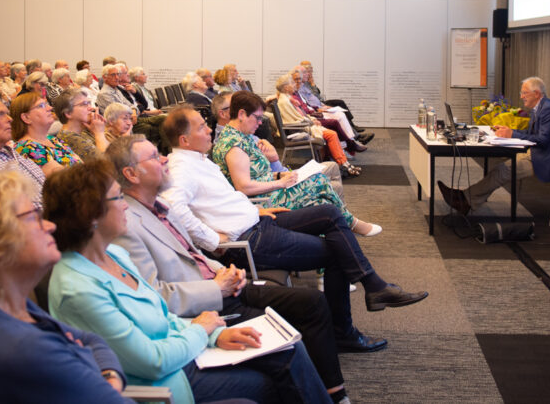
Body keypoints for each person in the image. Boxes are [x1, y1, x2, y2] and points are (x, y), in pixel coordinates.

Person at [110, 135, 376, 404]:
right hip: (205, 304)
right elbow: (155, 295)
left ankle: (335, 392)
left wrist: (225, 271)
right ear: (131, 173)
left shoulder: (161, 206)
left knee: (313, 302)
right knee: (285, 342)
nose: (165, 158)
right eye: (155, 157)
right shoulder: (128, 225)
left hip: (225, 283)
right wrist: (215, 286)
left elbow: (193, 255)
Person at [44, 160, 331, 404]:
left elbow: (162, 315)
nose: (125, 207)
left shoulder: (115, 254)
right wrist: (201, 331)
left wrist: (214, 335)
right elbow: (152, 362)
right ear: (90, 214)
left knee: (286, 352)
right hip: (164, 382)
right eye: (117, 198)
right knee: (267, 384)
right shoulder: (78, 289)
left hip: (184, 350)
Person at [160, 107, 428, 331]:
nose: (208, 130)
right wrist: (210, 240)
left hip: (257, 222)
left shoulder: (199, 160)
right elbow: (173, 207)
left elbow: (224, 200)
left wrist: (255, 210)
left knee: (330, 214)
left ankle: (374, 287)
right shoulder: (181, 168)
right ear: (184, 140)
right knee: (337, 252)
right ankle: (349, 324)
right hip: (247, 240)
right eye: (200, 127)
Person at [0, 170, 138, 404]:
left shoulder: (6, 309)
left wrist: (108, 376)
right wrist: (102, 380)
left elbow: (92, 340)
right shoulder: (21, 349)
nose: (49, 225)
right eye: (33, 217)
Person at [211, 92, 378, 236]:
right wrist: (280, 182)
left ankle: (332, 253)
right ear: (241, 114)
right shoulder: (233, 144)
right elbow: (243, 187)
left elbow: (256, 174)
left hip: (268, 193)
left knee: (321, 201)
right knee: (318, 181)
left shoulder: (242, 137)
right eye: (257, 117)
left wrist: (279, 174)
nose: (260, 122)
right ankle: (352, 224)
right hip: (262, 202)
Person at [455, 77, 550, 212]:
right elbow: (529, 132)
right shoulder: (539, 107)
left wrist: (512, 135)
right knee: (500, 169)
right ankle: (467, 199)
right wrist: (508, 131)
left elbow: (542, 140)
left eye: (525, 93)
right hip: (536, 153)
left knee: (502, 171)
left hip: (549, 159)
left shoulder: (548, 110)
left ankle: (465, 199)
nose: (521, 97)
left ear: (537, 94)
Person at [274, 76, 361, 177]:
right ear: (285, 87)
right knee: (331, 134)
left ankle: (344, 163)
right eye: (291, 83)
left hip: (304, 125)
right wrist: (310, 122)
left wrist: (311, 120)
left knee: (331, 132)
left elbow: (299, 116)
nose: (294, 85)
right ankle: (343, 163)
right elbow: (292, 120)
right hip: (299, 129)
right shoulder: (284, 101)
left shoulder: (287, 99)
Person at [11, 92, 81, 177]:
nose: (50, 108)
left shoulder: (53, 140)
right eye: (41, 106)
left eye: (46, 104)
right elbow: (67, 181)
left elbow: (81, 165)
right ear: (26, 117)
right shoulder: (26, 148)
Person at [54, 89, 110, 162]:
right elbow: (107, 162)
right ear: (68, 113)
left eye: (89, 103)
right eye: (84, 104)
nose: (91, 108)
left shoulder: (84, 130)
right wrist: (99, 133)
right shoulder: (68, 137)